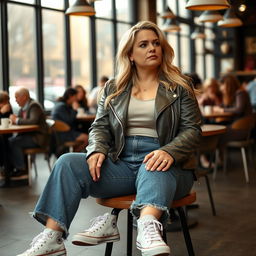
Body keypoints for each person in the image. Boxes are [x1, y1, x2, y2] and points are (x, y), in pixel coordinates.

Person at [17, 21, 202, 256]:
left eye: (156, 43)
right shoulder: (113, 88)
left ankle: (147, 227)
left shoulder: (179, 85)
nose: (152, 48)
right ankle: (53, 237)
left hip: (171, 164)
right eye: (143, 44)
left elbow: (192, 131)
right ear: (130, 54)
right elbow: (100, 127)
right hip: (123, 163)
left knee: (154, 165)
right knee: (66, 163)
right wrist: (96, 149)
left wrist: (169, 151)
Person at [8, 87, 49, 177]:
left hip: (38, 138)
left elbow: (33, 121)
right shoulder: (22, 108)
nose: (15, 100)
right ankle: (12, 168)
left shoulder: (34, 106)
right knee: (10, 140)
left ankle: (21, 169)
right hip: (28, 135)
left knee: (13, 142)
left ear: (24, 97)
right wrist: (15, 120)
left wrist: (17, 120)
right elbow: (19, 121)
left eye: (16, 97)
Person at [51, 87, 88, 153]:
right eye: (75, 96)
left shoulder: (62, 105)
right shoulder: (62, 106)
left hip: (62, 132)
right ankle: (74, 154)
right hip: (63, 134)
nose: (76, 99)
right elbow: (69, 120)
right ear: (71, 96)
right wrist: (75, 109)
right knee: (88, 138)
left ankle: (73, 153)